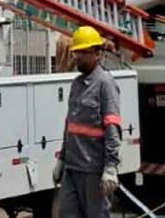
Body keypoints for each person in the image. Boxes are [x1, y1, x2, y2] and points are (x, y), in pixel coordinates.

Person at [54, 26, 122, 218]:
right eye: (76, 52)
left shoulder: (105, 84)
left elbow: (112, 127)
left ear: (96, 54)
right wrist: (61, 158)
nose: (77, 57)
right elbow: (70, 126)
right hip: (72, 167)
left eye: (82, 53)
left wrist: (110, 167)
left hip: (93, 170)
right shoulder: (76, 84)